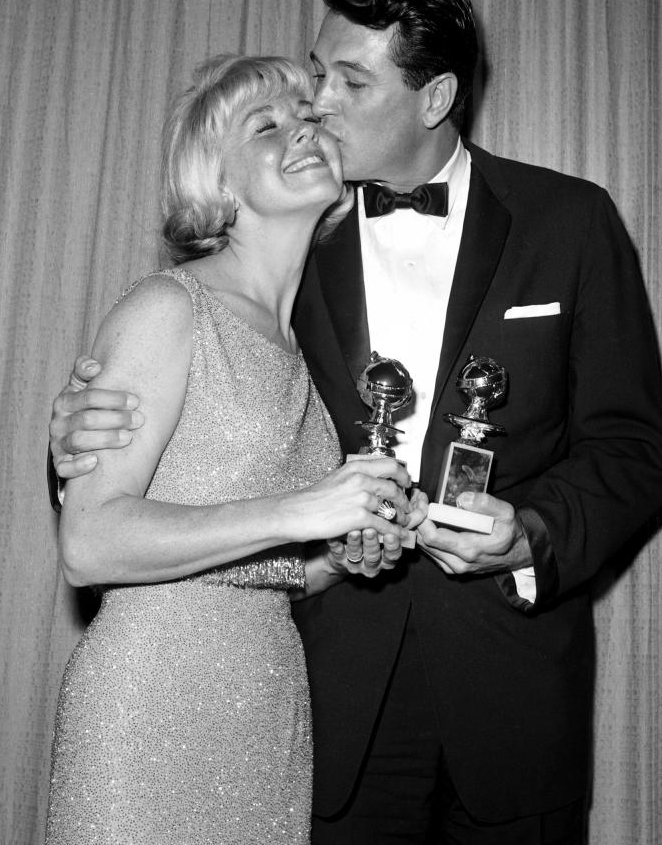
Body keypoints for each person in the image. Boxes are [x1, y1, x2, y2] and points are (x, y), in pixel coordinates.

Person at [49, 0, 662, 844]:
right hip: (319, 693)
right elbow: (175, 421)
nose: (317, 105)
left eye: (350, 82)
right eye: (316, 73)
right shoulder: (284, 234)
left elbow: (635, 452)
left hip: (513, 692)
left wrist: (530, 534)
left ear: (435, 98)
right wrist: (76, 435)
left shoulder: (569, 220)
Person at [44, 54, 423, 845]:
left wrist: (343, 554)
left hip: (268, 709)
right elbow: (88, 543)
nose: (304, 132)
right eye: (268, 124)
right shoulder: (168, 307)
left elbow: (271, 566)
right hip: (150, 703)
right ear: (212, 179)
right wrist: (303, 508)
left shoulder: (306, 346)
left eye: (310, 117)